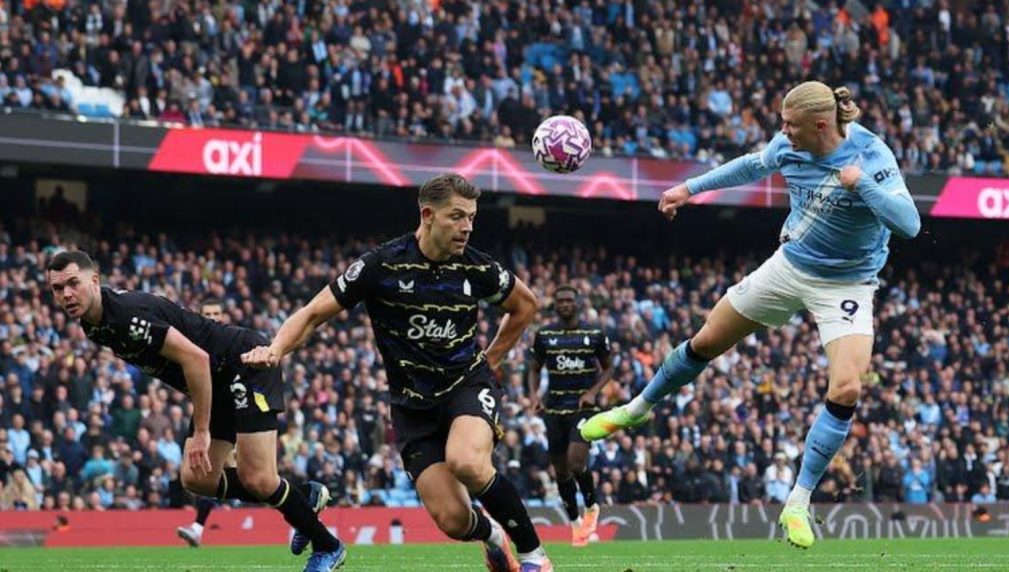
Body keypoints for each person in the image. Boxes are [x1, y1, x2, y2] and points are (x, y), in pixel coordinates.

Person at [580, 81, 921, 549]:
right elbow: (750, 165)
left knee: (847, 387)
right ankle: (636, 410)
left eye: (791, 125)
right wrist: (689, 188)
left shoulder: (871, 155)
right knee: (706, 342)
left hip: (847, 284)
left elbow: (909, 224)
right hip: (789, 267)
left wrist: (861, 184)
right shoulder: (788, 146)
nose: (784, 132)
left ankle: (797, 502)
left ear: (821, 124)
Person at [242, 173, 554, 571]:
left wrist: (491, 360)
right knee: (453, 520)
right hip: (412, 407)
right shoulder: (382, 264)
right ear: (427, 215)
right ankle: (493, 536)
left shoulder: (476, 267)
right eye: (457, 216)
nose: (467, 227)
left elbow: (525, 305)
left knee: (467, 461)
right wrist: (276, 349)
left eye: (472, 217)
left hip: (466, 384)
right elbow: (314, 313)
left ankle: (534, 557)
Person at [47, 251, 344, 572]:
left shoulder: (126, 316)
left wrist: (202, 431)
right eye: (58, 288)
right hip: (216, 382)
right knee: (197, 478)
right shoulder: (92, 325)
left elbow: (196, 358)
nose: (66, 294)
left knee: (257, 478)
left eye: (73, 283)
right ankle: (302, 497)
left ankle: (328, 547)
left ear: (94, 280)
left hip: (244, 364)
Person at [527, 285, 610, 546]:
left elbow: (609, 368)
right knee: (561, 472)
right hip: (554, 409)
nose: (564, 304)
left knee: (576, 463)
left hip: (583, 408)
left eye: (569, 300)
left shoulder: (594, 334)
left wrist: (593, 392)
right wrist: (534, 395)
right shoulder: (544, 335)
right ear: (555, 305)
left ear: (577, 303)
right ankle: (575, 523)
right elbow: (534, 368)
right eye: (560, 300)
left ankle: (591, 505)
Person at [175, 299, 231, 548]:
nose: (212, 318)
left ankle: (300, 505)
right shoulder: (193, 346)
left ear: (223, 316)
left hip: (233, 412)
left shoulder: (231, 341)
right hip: (209, 415)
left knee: (252, 477)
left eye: (216, 313)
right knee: (208, 473)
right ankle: (300, 507)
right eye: (207, 314)